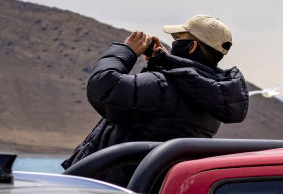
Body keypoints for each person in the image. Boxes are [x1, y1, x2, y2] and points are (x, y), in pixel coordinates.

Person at [61, 14, 249, 186]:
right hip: (149, 184)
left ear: (191, 47)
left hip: (117, 186)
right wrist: (164, 62)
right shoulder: (210, 94)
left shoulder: (162, 86)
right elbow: (166, 108)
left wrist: (127, 51)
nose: (174, 44)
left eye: (179, 39)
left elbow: (104, 88)